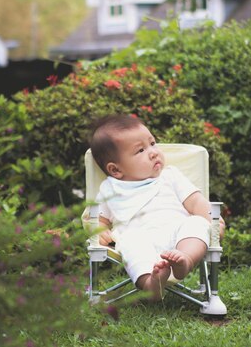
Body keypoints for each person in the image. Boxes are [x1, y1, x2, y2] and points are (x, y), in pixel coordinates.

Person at [89, 115, 225, 299]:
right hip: (139, 237)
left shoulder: (170, 176)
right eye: (140, 150)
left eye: (153, 143)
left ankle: (185, 261)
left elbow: (196, 202)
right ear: (116, 170)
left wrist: (212, 219)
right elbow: (99, 219)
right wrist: (100, 230)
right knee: (130, 244)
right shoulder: (110, 189)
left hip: (177, 235)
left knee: (196, 223)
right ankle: (152, 283)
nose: (153, 152)